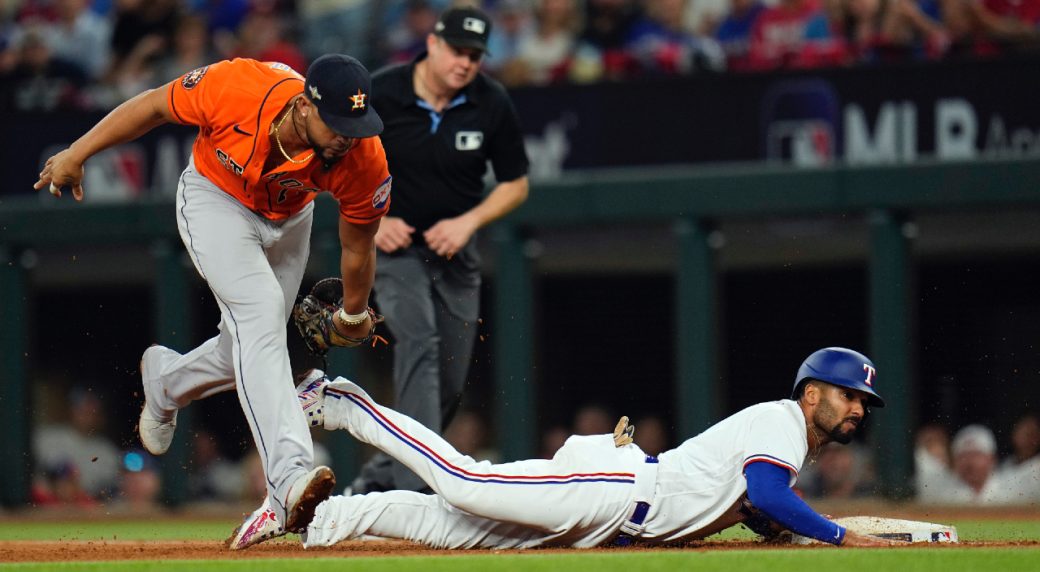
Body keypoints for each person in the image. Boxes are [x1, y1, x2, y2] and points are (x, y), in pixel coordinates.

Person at [34, 54, 392, 536]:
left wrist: (353, 312)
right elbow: (154, 106)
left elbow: (357, 243)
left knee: (247, 344)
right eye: (337, 123)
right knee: (260, 316)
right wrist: (79, 151)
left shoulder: (362, 155)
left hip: (290, 218)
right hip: (214, 200)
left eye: (357, 123)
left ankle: (169, 382)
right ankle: (288, 479)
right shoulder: (238, 86)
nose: (348, 135)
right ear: (305, 106)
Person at [232, 346, 901, 549]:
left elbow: (753, 506)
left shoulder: (789, 437)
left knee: (456, 529)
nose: (855, 409)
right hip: (615, 492)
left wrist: (785, 534)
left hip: (617, 512)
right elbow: (767, 494)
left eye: (862, 404)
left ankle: (323, 519)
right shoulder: (785, 421)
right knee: (464, 482)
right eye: (848, 396)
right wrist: (839, 536)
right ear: (813, 392)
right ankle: (349, 403)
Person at [347, 5, 530, 496]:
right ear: (432, 44)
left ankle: (376, 479)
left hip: (454, 252)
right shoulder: (381, 92)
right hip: (396, 248)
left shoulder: (490, 101)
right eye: (457, 50)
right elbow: (332, 157)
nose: (465, 62)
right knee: (420, 344)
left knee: (449, 381)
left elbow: (516, 184)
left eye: (474, 55)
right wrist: (375, 217)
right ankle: (418, 488)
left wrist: (469, 221)